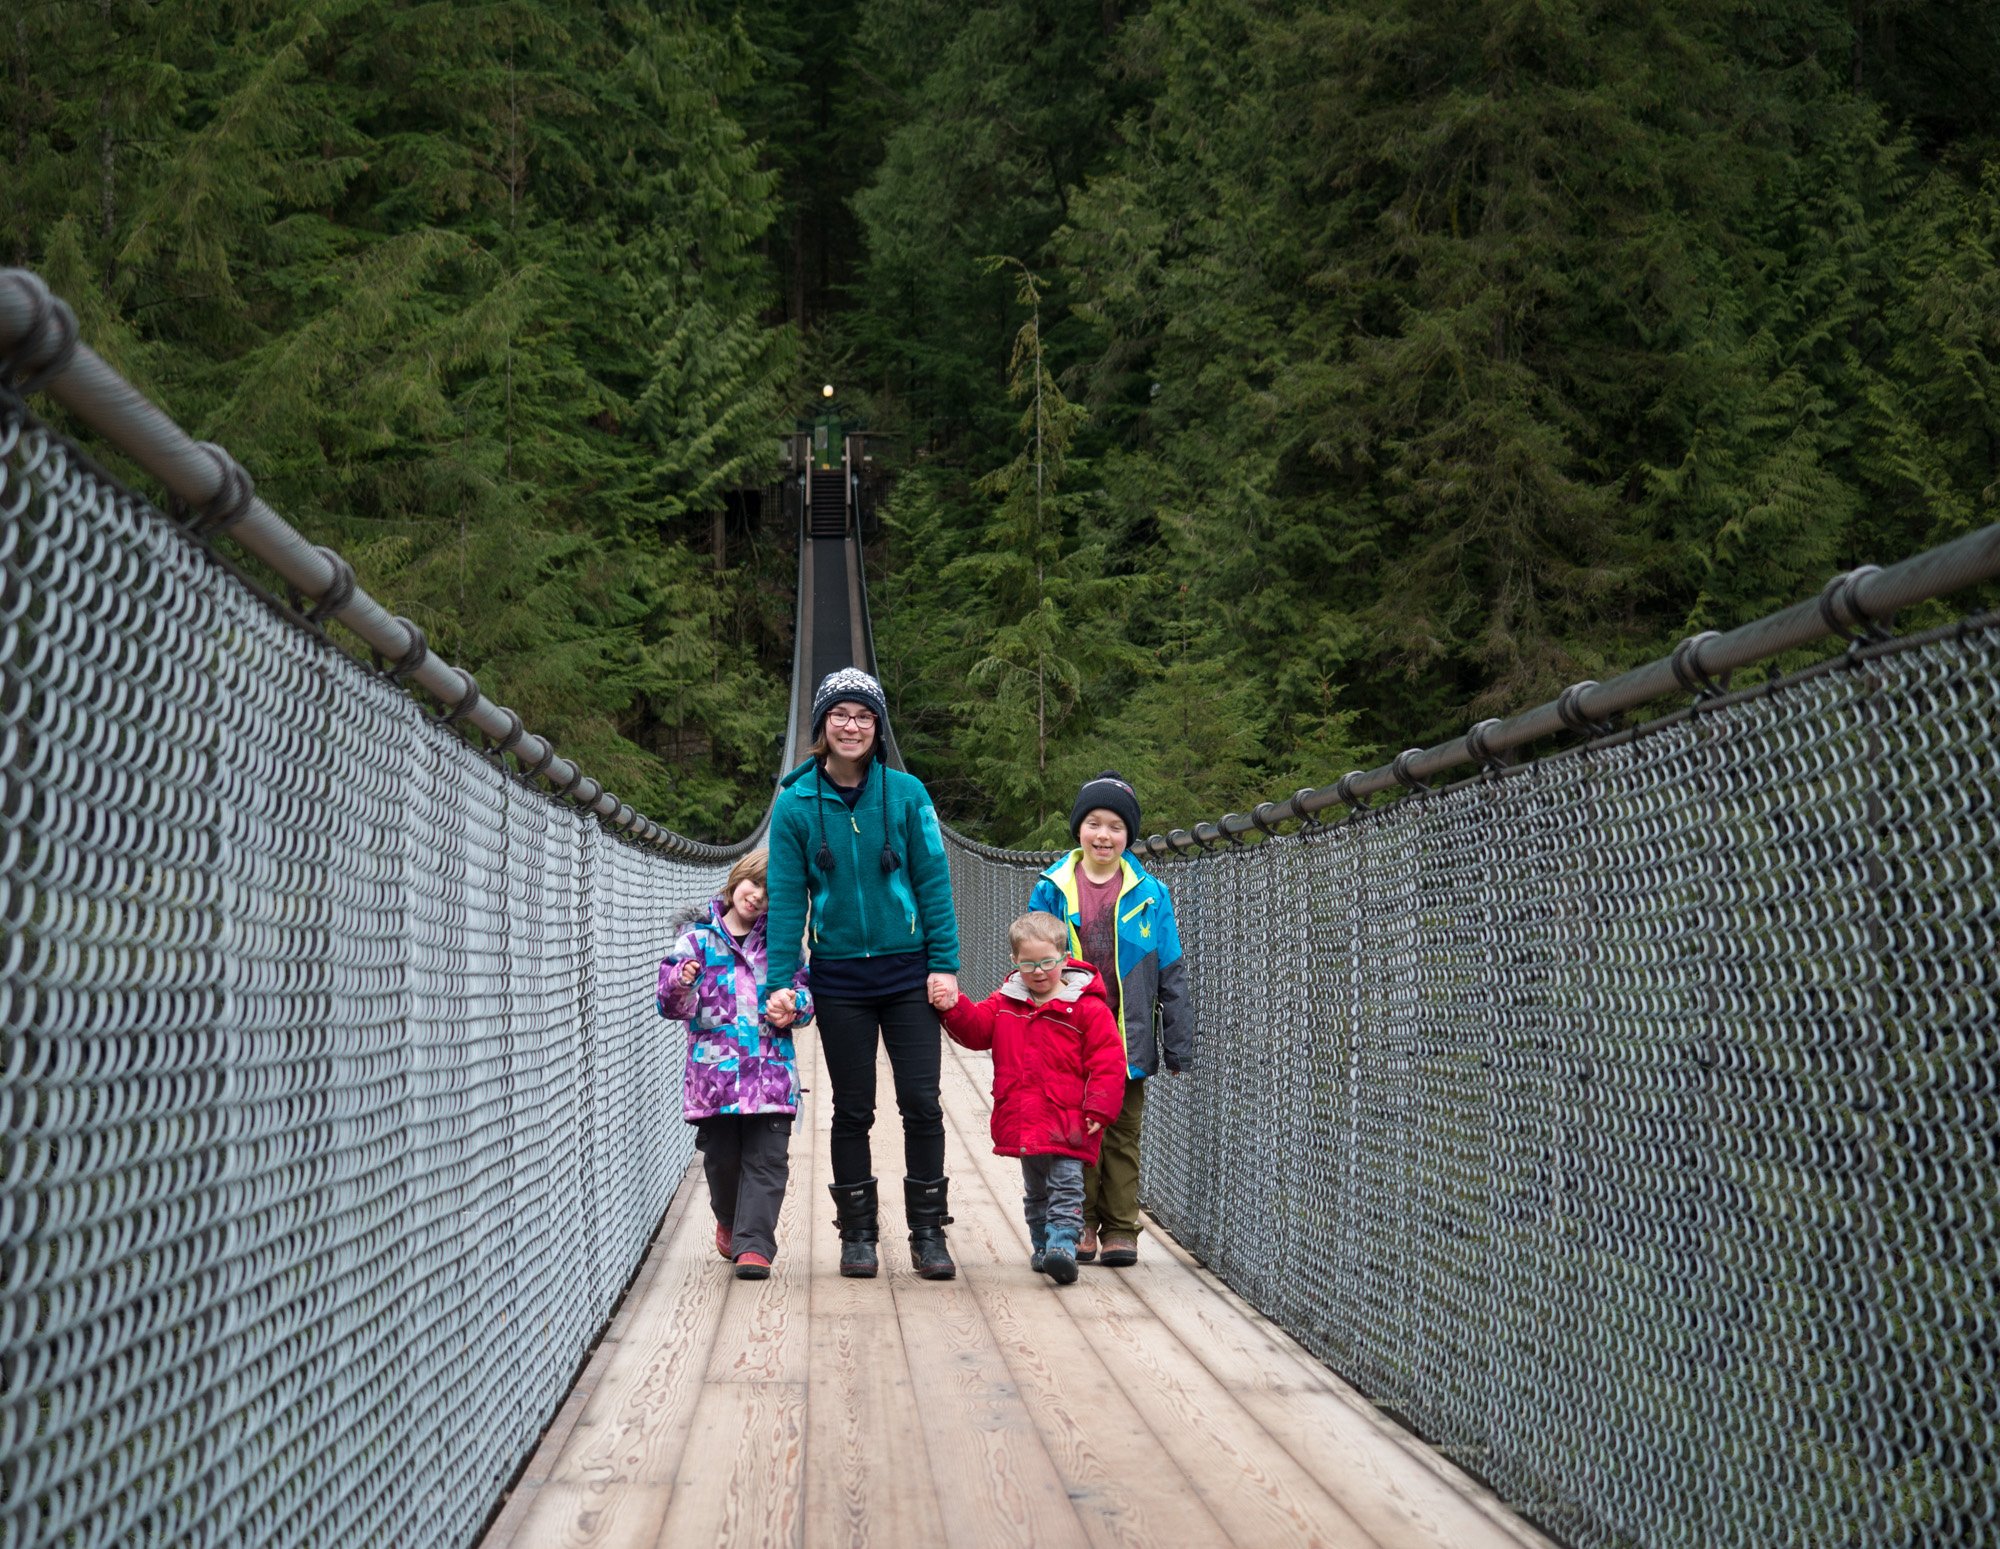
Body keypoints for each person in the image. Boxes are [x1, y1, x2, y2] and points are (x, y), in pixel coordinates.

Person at [764, 667, 962, 1279]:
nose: (852, 726)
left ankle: (928, 1234)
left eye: (864, 716)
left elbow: (934, 882)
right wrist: (779, 979)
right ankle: (857, 1236)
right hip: (839, 979)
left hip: (908, 977)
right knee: (852, 1109)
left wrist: (945, 965)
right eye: (840, 715)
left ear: (877, 728)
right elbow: (787, 896)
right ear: (822, 724)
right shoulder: (795, 805)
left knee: (921, 1102)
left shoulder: (907, 795)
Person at [1026, 771, 1192, 1266]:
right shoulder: (1052, 888)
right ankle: (1080, 1223)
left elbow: (1171, 971)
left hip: (1128, 1038)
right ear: (1078, 829)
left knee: (1122, 1133)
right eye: (1094, 823)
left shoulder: (1150, 894)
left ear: (1129, 835)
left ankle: (1121, 1228)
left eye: (1116, 826)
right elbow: (1031, 956)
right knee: (1076, 1132)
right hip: (1067, 1035)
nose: (1103, 835)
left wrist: (1177, 1043)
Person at [934, 912, 1125, 1285]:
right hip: (1025, 1117)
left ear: (1065, 959)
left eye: (1047, 963)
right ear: (1014, 962)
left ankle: (1063, 1246)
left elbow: (1109, 1060)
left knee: (1067, 1185)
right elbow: (976, 1031)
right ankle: (1042, 1247)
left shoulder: (1086, 1008)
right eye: (1028, 964)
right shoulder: (1006, 1003)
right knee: (1036, 1191)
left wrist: (1100, 1106)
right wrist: (952, 1006)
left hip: (1069, 1118)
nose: (1038, 972)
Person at [657, 849, 811, 1280]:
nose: (758, 897)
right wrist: (679, 981)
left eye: (770, 893)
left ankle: (755, 1247)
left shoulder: (780, 946)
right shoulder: (696, 941)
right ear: (736, 879)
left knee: (768, 1161)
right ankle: (728, 1220)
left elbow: (805, 995)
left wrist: (794, 1006)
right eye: (753, 884)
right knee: (722, 1160)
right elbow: (669, 1006)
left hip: (771, 1075)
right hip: (716, 1081)